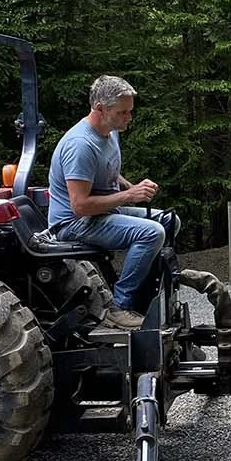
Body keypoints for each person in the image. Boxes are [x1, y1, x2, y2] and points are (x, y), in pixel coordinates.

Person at [47, 75, 165, 330]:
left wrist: (129, 186)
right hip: (74, 223)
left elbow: (106, 171)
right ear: (100, 108)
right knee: (151, 233)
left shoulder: (110, 132)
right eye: (123, 112)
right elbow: (80, 206)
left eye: (130, 111)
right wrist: (130, 196)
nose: (129, 118)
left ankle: (148, 298)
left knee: (168, 221)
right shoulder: (81, 145)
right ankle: (119, 308)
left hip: (102, 212)